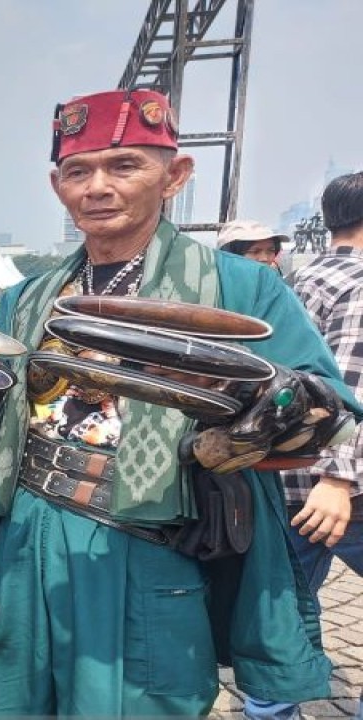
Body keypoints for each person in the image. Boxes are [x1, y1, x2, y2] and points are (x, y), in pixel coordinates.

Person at [0, 89, 358, 717]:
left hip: (150, 543)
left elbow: (327, 412)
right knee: (9, 700)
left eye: (125, 165)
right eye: (79, 171)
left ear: (175, 174)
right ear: (57, 184)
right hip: (27, 533)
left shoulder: (241, 287)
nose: (98, 186)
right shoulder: (30, 296)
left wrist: (263, 405)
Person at [244, 172, 363, 720]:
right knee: (285, 607)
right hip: (340, 490)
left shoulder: (296, 278)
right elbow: (351, 383)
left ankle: (268, 709)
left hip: (283, 476)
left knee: (283, 609)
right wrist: (339, 478)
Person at [219, 219, 288, 272]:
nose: (264, 258)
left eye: (271, 251)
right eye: (255, 251)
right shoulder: (216, 287)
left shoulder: (274, 285)